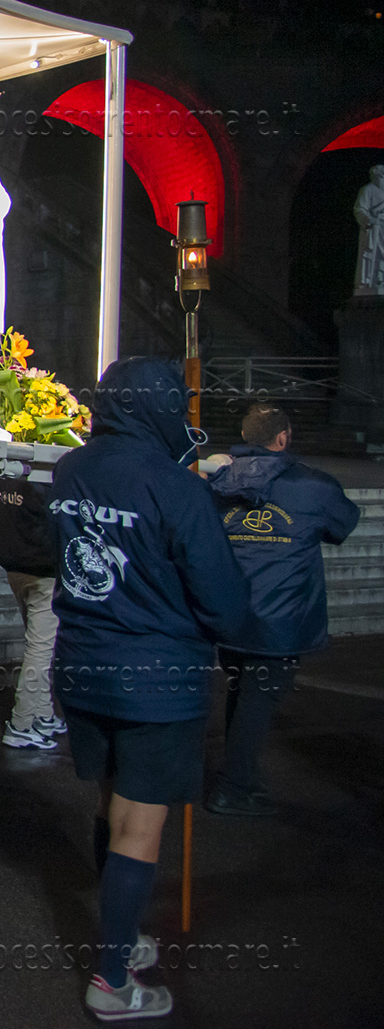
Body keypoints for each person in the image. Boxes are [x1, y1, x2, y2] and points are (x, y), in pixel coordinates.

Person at [48, 357, 256, 1022]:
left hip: (82, 663)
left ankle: (123, 931)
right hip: (155, 679)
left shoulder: (71, 468)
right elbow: (223, 601)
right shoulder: (177, 488)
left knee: (111, 805)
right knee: (140, 828)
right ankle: (112, 981)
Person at [204, 403, 360, 817]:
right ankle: (233, 789)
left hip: (230, 613)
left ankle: (243, 779)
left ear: (245, 436)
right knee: (256, 700)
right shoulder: (313, 485)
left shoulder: (216, 480)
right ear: (283, 438)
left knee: (243, 691)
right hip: (279, 619)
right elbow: (343, 524)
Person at [0, 462, 67, 750]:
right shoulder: (48, 478)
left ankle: (43, 715)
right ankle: (22, 724)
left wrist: (5, 557)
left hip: (15, 567)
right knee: (40, 651)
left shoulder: (3, 476)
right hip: (45, 574)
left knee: (38, 646)